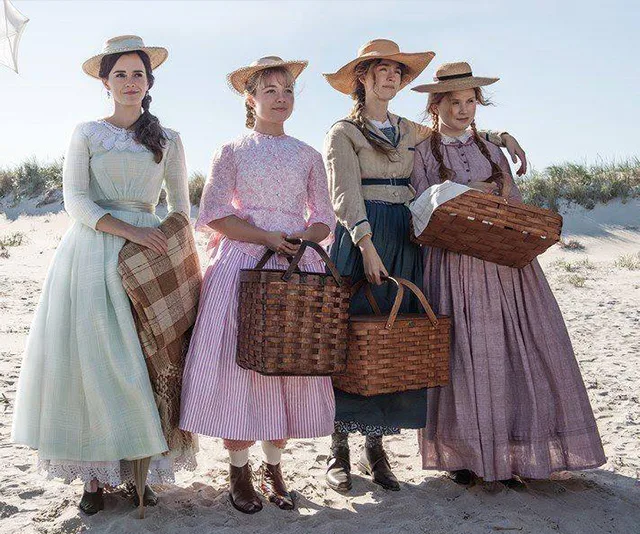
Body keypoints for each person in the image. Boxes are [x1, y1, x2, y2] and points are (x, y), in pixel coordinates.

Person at [322, 39, 527, 493]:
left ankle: (376, 449)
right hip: (365, 233)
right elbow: (343, 194)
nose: (391, 76)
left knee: (396, 337)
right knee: (354, 336)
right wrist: (365, 243)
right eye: (381, 70)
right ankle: (337, 449)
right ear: (363, 77)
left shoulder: (408, 129)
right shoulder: (342, 132)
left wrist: (500, 136)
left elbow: (452, 132)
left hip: (406, 235)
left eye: (397, 71)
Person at [11, 35, 192, 514]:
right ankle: (92, 478)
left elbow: (180, 207)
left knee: (143, 362)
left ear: (149, 81)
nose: (130, 82)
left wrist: (166, 246)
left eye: (138, 73)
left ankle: (139, 471)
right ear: (105, 82)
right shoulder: (86, 133)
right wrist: (125, 229)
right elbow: (76, 200)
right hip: (92, 252)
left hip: (149, 254)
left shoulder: (168, 139)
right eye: (120, 74)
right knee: (93, 364)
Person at [411, 61, 606, 486]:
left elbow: (513, 200)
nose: (464, 110)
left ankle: (518, 452)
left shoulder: (492, 149)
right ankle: (465, 456)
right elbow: (421, 205)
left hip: (506, 263)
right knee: (465, 356)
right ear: (436, 104)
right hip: (454, 263)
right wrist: (465, 196)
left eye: (471, 102)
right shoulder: (424, 151)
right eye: (455, 102)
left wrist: (501, 203)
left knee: (521, 349)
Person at [179, 57, 336, 514]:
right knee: (240, 370)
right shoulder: (232, 150)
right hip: (245, 263)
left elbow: (323, 217)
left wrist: (301, 238)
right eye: (269, 90)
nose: (281, 97)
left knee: (287, 364)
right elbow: (214, 214)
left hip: (294, 266)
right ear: (251, 100)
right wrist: (266, 236)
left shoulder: (308, 154)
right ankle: (238, 468)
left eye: (287, 90)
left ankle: (274, 465)